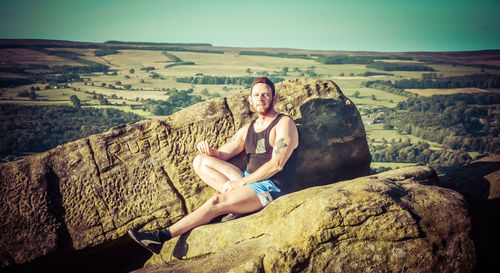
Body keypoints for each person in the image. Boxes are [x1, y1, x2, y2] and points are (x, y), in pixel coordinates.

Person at [128, 77, 299, 254]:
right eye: (256, 95)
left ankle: (160, 237)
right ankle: (236, 204)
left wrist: (241, 183)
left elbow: (277, 165)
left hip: (272, 187)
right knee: (200, 161)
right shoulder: (248, 129)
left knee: (216, 202)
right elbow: (222, 155)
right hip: (248, 181)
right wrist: (209, 151)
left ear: (274, 98)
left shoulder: (284, 123)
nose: (260, 99)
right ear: (250, 100)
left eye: (265, 95)